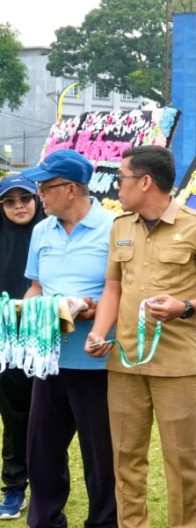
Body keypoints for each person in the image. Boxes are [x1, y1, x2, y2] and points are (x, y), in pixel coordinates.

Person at [85, 145, 196, 528]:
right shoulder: (120, 226)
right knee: (125, 457)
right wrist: (99, 333)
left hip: (176, 367)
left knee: (181, 461)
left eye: (122, 178)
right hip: (125, 363)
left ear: (145, 181)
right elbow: (112, 289)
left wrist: (185, 306)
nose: (117, 186)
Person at [20, 150, 117, 527]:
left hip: (96, 362)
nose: (39, 194)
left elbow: (121, 290)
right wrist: (27, 311)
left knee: (101, 456)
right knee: (42, 453)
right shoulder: (42, 230)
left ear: (72, 189)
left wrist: (92, 314)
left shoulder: (114, 228)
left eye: (45, 187)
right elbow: (35, 286)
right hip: (47, 359)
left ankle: (105, 521)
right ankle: (44, 520)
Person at [0, 175, 44, 519]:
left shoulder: (52, 233)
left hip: (49, 339)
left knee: (50, 419)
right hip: (7, 343)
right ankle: (14, 489)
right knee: (14, 417)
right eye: (10, 201)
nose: (18, 206)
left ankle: (46, 489)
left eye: (25, 199)